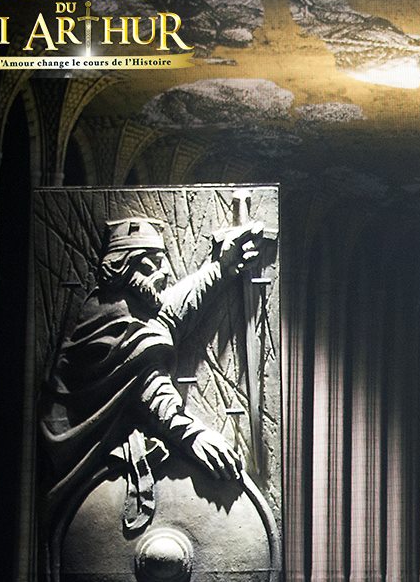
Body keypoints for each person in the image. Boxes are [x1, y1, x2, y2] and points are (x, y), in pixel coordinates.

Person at [40, 214, 269, 523]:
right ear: (126, 267)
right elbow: (149, 382)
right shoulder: (112, 320)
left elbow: (169, 313)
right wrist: (193, 435)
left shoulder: (126, 303)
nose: (165, 273)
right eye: (155, 264)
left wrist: (220, 268)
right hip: (75, 458)